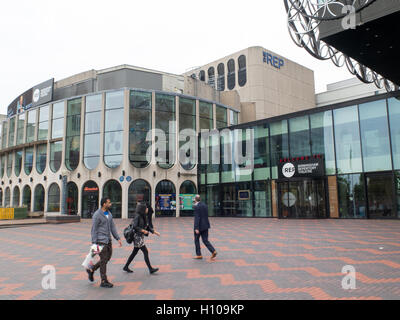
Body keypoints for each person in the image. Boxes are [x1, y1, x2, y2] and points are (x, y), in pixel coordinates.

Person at [88, 198, 122, 288]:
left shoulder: (109, 214)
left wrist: (117, 238)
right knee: (103, 260)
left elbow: (112, 227)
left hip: (108, 240)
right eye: (109, 203)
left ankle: (92, 269)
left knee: (107, 258)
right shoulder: (97, 215)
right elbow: (94, 229)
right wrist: (94, 242)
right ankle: (104, 280)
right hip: (100, 240)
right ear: (104, 204)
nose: (110, 204)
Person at [123, 202, 160, 274]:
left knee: (134, 252)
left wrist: (154, 232)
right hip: (137, 237)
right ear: (143, 209)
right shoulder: (137, 216)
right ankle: (150, 269)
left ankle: (126, 266)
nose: (147, 209)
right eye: (146, 208)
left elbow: (147, 226)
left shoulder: (143, 216)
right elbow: (135, 226)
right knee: (145, 251)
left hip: (140, 236)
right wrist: (143, 230)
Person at [193, 195, 217, 260]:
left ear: (195, 199)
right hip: (206, 225)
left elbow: (197, 218)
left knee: (196, 240)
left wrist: (196, 228)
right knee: (205, 240)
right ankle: (213, 251)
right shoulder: (205, 205)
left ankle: (199, 255)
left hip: (199, 226)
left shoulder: (196, 206)